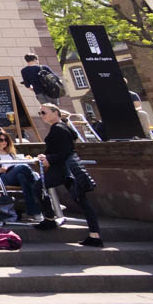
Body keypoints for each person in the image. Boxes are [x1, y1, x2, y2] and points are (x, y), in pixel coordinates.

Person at [37, 103, 103, 245]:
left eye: (44, 112)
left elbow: (65, 152)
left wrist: (49, 158)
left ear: (56, 113)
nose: (42, 115)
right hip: (68, 168)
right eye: (40, 113)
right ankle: (94, 235)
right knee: (81, 200)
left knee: (38, 187)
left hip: (64, 168)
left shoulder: (59, 129)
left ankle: (49, 219)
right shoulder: (62, 127)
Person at [0, 127, 49, 223]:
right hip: (3, 177)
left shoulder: (10, 151)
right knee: (23, 167)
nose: (4, 142)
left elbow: (18, 162)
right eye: (1, 140)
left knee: (23, 177)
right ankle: (39, 190)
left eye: (6, 139)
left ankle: (34, 212)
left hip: (16, 176)